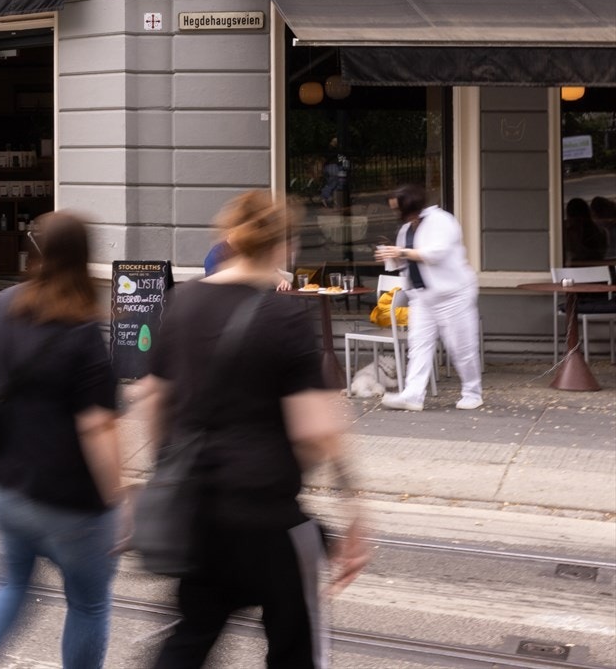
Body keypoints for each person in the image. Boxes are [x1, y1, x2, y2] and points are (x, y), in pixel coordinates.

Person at [141, 191, 370, 668]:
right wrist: (355, 510)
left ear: (229, 240)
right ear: (286, 246)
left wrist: (165, 470)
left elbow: (154, 399)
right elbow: (316, 431)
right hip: (268, 517)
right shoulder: (284, 316)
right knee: (295, 648)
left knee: (191, 637)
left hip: (199, 512)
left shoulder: (181, 302)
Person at [0, 212, 122, 669]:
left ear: (36, 249)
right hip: (70, 501)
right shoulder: (82, 332)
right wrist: (118, 501)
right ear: (85, 258)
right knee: (88, 603)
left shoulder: (2, 307)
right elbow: (97, 428)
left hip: (5, 485)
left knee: (9, 588)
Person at [376, 184, 483, 411]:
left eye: (398, 208)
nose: (396, 213)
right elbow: (406, 261)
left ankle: (472, 393)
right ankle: (412, 395)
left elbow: (437, 253)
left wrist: (401, 252)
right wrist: (392, 257)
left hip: (453, 295)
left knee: (461, 347)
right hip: (421, 296)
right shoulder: (406, 229)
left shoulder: (441, 220)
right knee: (418, 345)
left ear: (410, 205)